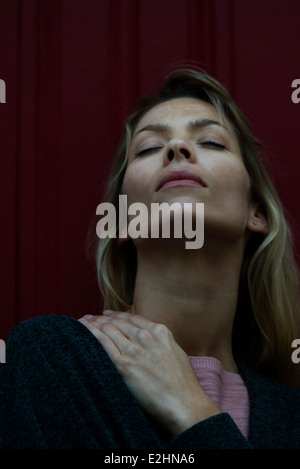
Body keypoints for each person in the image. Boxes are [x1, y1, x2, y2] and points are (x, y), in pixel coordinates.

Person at [1, 68, 300, 449]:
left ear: (257, 212)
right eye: (147, 148)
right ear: (123, 220)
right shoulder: (54, 359)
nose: (177, 149)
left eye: (211, 141)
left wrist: (192, 410)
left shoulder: (294, 419)